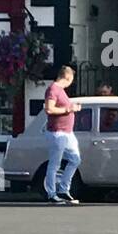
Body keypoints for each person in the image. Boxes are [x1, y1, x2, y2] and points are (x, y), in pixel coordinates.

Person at [42, 65, 82, 205]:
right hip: (57, 132)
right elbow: (49, 109)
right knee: (55, 164)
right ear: (68, 78)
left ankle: (64, 189)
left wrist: (72, 109)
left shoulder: (61, 91)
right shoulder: (53, 89)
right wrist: (68, 108)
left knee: (75, 159)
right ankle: (51, 193)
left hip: (67, 133)